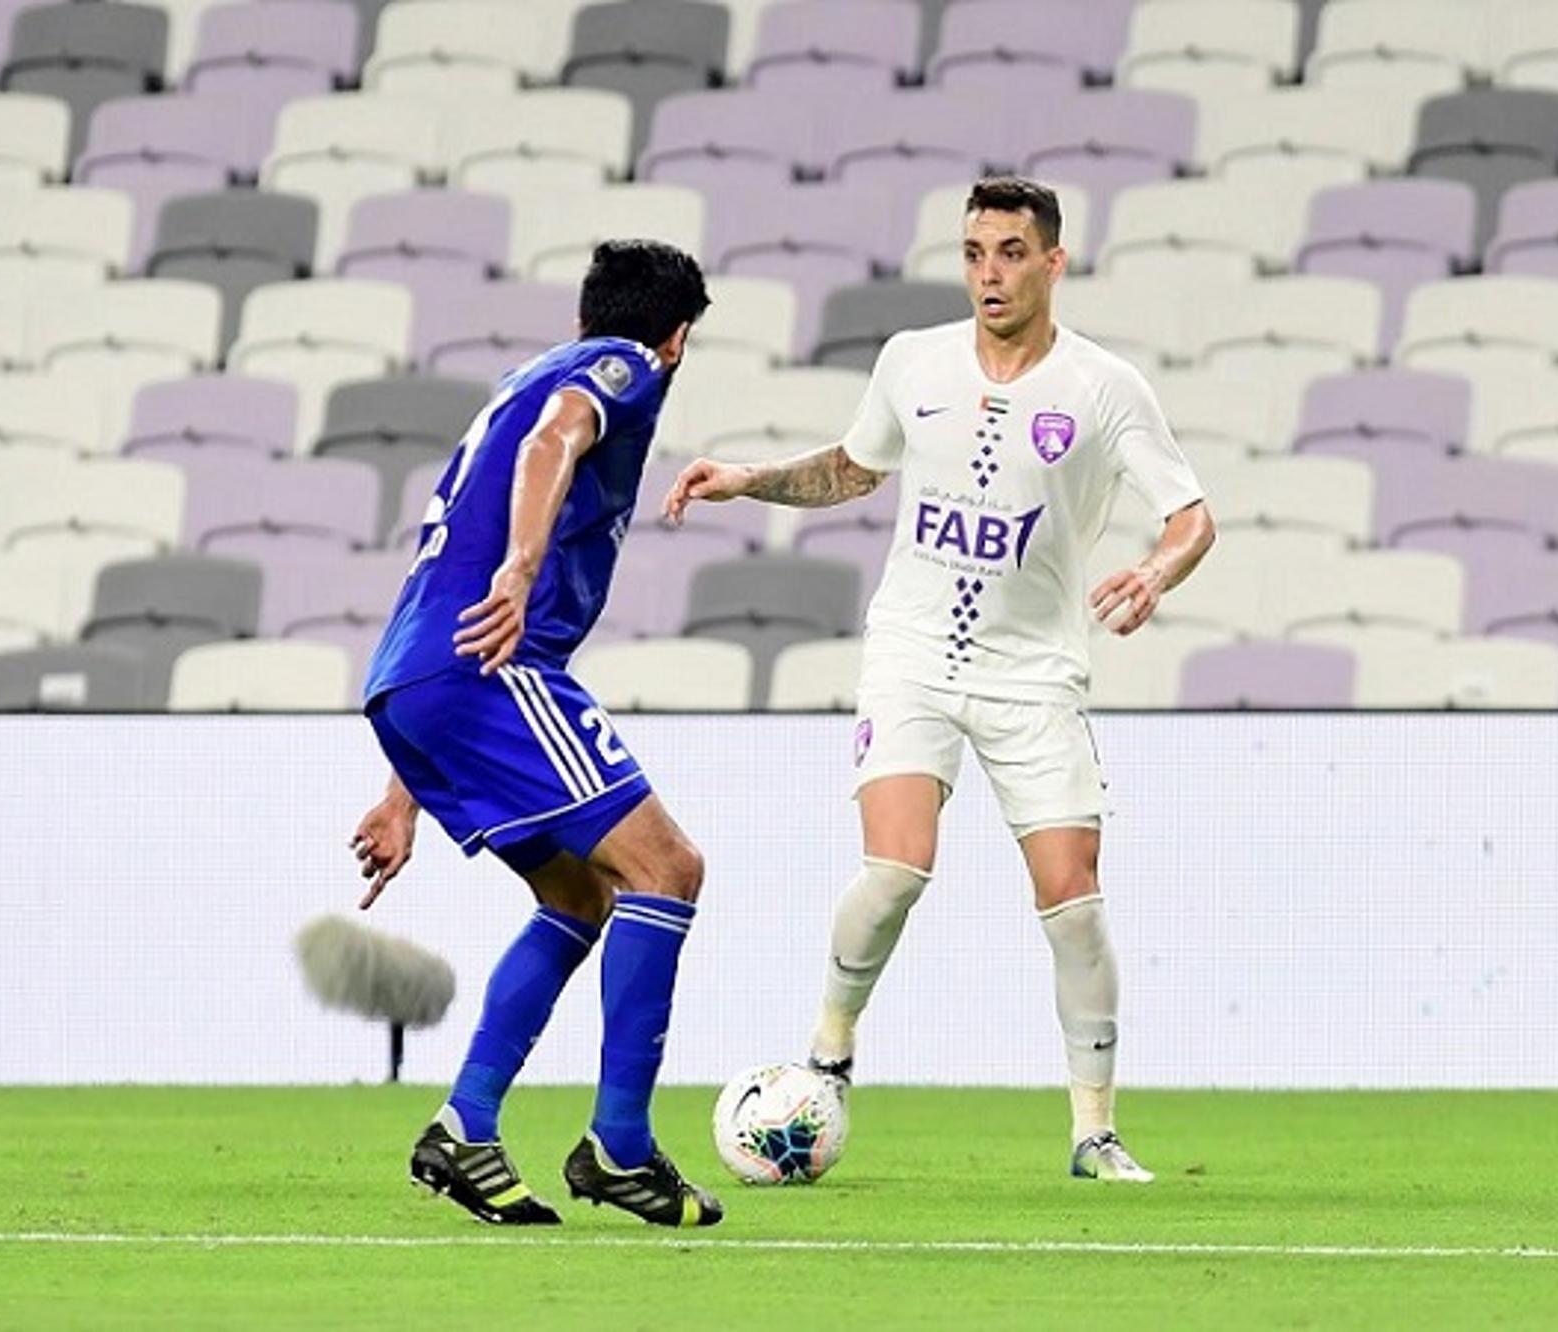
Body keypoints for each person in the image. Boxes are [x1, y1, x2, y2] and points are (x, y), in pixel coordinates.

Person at [665, 178, 1216, 1183]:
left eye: (1010, 252)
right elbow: (853, 468)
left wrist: (1155, 570)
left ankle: (1094, 1133)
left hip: (1035, 673)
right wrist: (749, 478)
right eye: (973, 253)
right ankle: (830, 1050)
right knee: (896, 870)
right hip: (914, 654)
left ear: (1055, 261)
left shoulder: (1102, 388)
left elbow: (1191, 517)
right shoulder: (911, 362)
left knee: (1074, 898)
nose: (988, 274)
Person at [347, 239, 724, 1228]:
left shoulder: (523, 374)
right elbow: (559, 438)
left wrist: (403, 787)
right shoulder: (626, 370)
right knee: (667, 870)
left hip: (417, 678)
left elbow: (438, 575)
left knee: (576, 893)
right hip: (495, 666)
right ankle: (622, 1149)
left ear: (580, 316)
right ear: (678, 339)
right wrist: (520, 568)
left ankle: (466, 1127)